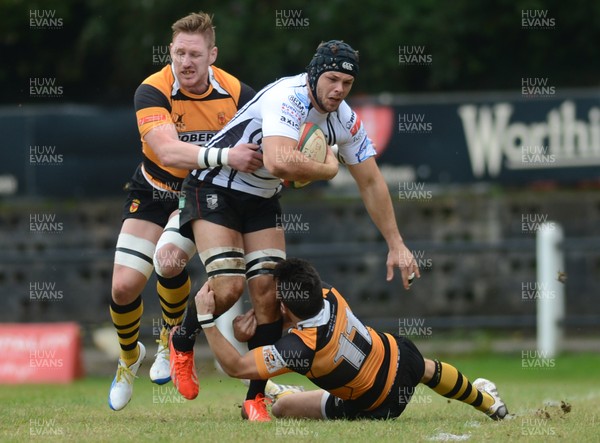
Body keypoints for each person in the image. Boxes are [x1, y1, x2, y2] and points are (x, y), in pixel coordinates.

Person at [169, 39, 420, 421]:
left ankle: (255, 399)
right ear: (316, 73)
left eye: (347, 84)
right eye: (332, 79)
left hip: (261, 199)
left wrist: (396, 243)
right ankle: (182, 340)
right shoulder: (288, 96)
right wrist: (329, 168)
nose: (338, 90)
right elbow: (279, 159)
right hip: (214, 185)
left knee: (270, 295)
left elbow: (371, 182)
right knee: (229, 287)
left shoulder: (345, 119)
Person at [107, 11, 262, 411]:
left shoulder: (237, 93)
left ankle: (168, 338)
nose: (186, 63)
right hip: (154, 189)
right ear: (170, 53)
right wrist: (227, 154)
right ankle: (128, 359)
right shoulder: (152, 90)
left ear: (212, 55)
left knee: (169, 261)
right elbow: (167, 150)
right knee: (123, 287)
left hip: (200, 196)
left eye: (194, 54)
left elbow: (268, 137)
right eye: (179, 53)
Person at [195, 258, 509, 421]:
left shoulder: (300, 348)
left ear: (286, 307)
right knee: (428, 369)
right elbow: (298, 319)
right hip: (399, 355)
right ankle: (489, 404)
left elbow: (237, 367)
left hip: (375, 406)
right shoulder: (328, 293)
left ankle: (283, 393)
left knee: (283, 409)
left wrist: (208, 321)